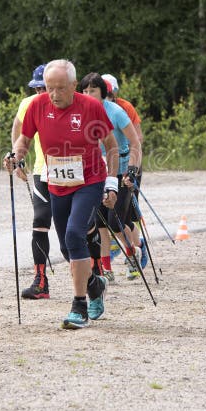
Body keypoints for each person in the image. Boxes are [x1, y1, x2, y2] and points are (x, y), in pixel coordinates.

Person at [5, 59, 117, 329]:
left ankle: (79, 306)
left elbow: (111, 146)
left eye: (60, 89)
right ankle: (93, 283)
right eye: (49, 88)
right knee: (67, 247)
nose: (53, 95)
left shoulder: (90, 107)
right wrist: (16, 155)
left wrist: (111, 182)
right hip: (57, 182)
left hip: (89, 179)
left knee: (74, 234)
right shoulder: (37, 105)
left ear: (74, 86)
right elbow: (24, 138)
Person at [78, 73, 143, 282]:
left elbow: (135, 142)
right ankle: (106, 267)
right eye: (85, 91)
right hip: (96, 171)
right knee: (100, 223)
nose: (88, 95)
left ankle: (133, 253)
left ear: (102, 92)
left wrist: (132, 170)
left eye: (93, 91)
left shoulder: (115, 112)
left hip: (120, 171)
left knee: (115, 222)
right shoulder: (81, 112)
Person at [10, 64, 53, 299]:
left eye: (43, 88)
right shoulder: (29, 104)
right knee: (40, 221)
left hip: (73, 172)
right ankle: (40, 281)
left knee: (76, 228)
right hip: (42, 171)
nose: (40, 94)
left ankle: (95, 271)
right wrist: (17, 158)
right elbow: (18, 129)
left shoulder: (69, 102)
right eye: (36, 89)